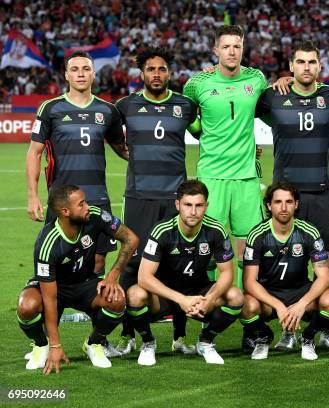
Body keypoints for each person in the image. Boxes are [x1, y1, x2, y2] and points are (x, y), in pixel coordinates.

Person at [254, 40, 329, 351]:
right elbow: (236, 113)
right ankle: (283, 327)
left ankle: (323, 329)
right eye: (301, 62)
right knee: (281, 256)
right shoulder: (272, 96)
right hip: (285, 194)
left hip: (321, 191)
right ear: (291, 67)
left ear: (319, 67)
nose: (307, 67)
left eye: (312, 62)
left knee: (326, 259)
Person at [113, 47, 201, 356]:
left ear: (169, 72)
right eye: (151, 69)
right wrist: (124, 152)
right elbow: (110, 134)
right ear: (141, 73)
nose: (156, 74)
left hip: (175, 197)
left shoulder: (185, 106)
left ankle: (179, 337)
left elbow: (206, 133)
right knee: (132, 263)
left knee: (176, 263)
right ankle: (128, 335)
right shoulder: (125, 106)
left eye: (162, 69)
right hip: (139, 196)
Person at [16, 185, 138, 374]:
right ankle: (42, 345)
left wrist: (113, 275)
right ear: (65, 211)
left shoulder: (95, 216)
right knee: (27, 305)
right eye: (81, 204)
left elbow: (131, 238)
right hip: (54, 286)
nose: (88, 206)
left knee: (117, 300)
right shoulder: (48, 243)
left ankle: (93, 344)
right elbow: (50, 298)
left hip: (85, 283)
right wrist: (56, 346)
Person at [25, 51, 128, 275]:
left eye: (86, 69)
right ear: (66, 75)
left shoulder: (108, 110)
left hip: (97, 197)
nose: (80, 74)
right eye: (75, 69)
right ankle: (57, 305)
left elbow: (122, 148)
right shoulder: (50, 108)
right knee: (57, 255)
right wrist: (33, 196)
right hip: (61, 198)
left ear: (93, 74)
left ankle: (90, 309)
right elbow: (34, 152)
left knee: (98, 260)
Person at [183, 25, 267, 292]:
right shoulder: (197, 83)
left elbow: (269, 108)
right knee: (206, 248)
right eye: (226, 46)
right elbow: (187, 117)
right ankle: (205, 299)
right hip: (211, 176)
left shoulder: (257, 80)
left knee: (246, 250)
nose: (232, 51)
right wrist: (203, 134)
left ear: (243, 48)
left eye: (237, 46)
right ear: (216, 49)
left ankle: (245, 306)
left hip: (245, 177)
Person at [125, 180, 243, 365]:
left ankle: (206, 341)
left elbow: (227, 273)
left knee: (235, 296)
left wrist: (210, 299)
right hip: (165, 295)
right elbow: (144, 277)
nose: (193, 211)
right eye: (188, 205)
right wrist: (181, 299)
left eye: (199, 205)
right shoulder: (162, 230)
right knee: (134, 295)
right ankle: (148, 342)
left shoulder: (216, 230)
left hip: (199, 293)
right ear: (178, 204)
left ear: (206, 206)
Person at [241, 182, 329, 361]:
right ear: (269, 206)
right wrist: (278, 306)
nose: (284, 207)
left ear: (296, 204)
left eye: (289, 201)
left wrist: (302, 303)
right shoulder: (258, 234)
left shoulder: (309, 231)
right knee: (245, 305)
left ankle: (307, 338)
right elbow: (249, 282)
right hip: (270, 295)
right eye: (278, 202)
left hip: (299, 292)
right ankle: (263, 336)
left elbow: (324, 278)